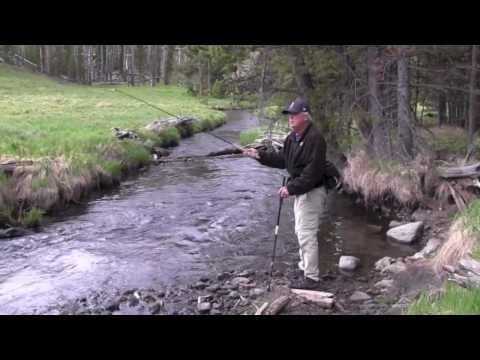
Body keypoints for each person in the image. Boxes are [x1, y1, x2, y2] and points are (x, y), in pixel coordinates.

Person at [243, 97, 327, 290]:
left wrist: (289, 188)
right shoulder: (292, 138)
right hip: (302, 190)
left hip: (313, 191)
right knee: (300, 230)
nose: (290, 118)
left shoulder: (315, 139)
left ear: (305, 117)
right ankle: (304, 267)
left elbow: (312, 174)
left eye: (294, 115)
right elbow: (283, 160)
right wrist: (259, 155)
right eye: (289, 115)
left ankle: (311, 278)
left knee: (306, 233)